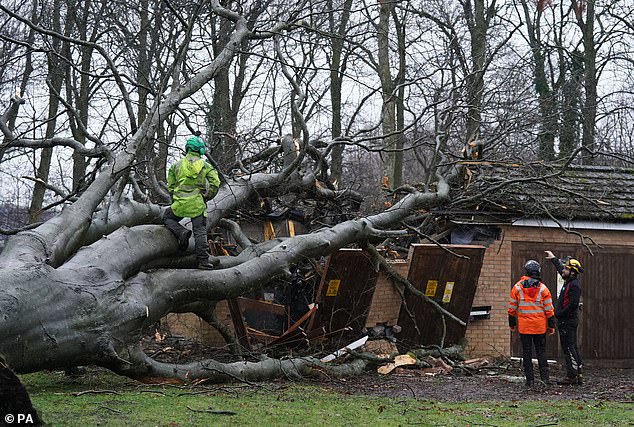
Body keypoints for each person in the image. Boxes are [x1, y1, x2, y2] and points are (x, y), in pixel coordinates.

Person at [163, 135, 220, 270]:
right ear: (200, 150)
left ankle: (181, 232)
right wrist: (207, 196)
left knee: (167, 217)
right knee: (200, 232)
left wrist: (175, 199)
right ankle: (203, 262)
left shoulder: (176, 166)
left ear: (187, 148)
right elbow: (215, 183)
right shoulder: (206, 166)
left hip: (180, 204)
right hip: (197, 205)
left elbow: (170, 186)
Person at [508, 259, 555, 387]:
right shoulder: (543, 289)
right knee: (541, 352)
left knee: (527, 353)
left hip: (524, 328)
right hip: (539, 327)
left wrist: (512, 325)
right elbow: (549, 310)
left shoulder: (517, 287)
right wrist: (551, 326)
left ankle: (530, 381)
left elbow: (511, 309)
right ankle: (545, 379)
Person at [544, 251, 584, 385]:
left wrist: (558, 314)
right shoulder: (569, 280)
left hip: (568, 321)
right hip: (565, 321)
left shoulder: (574, 285)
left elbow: (572, 305)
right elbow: (561, 269)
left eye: (567, 268)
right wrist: (554, 259)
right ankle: (576, 373)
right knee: (570, 347)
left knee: (569, 348)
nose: (564, 270)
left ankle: (572, 376)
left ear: (572, 272)